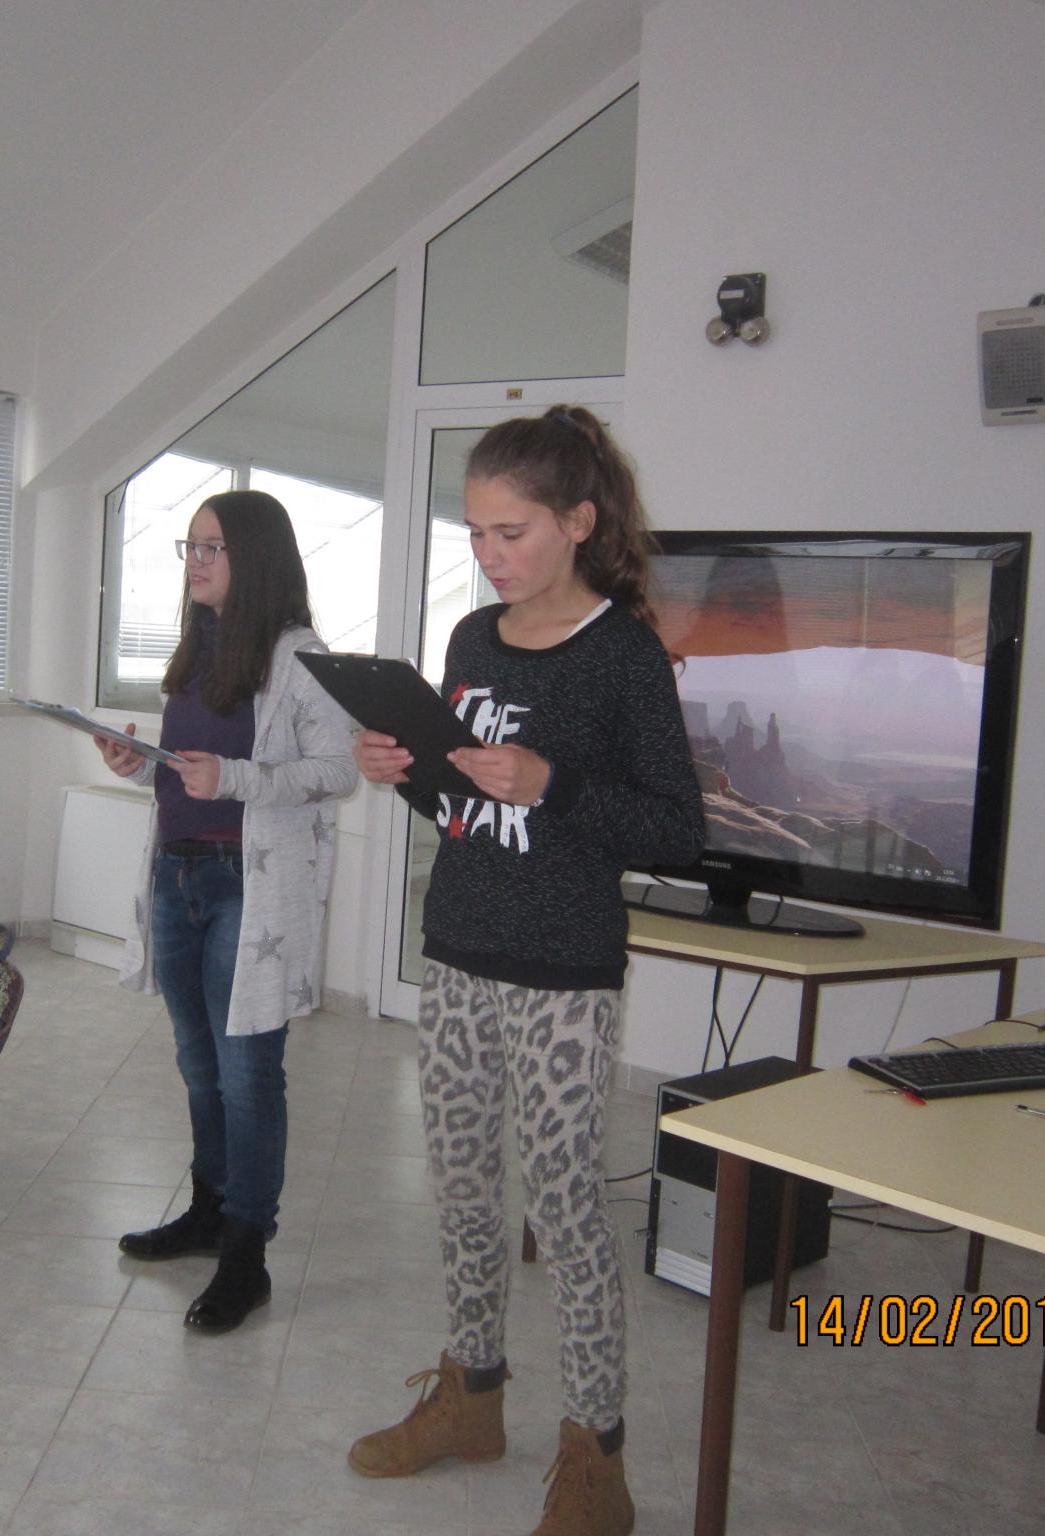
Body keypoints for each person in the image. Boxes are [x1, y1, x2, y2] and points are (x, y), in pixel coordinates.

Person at [346, 407, 702, 1536]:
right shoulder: (471, 641)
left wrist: (552, 783)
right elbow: (464, 804)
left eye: (511, 532)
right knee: (461, 1188)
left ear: (577, 523)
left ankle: (596, 1458)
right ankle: (471, 1399)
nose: (489, 554)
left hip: (563, 970)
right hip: (458, 946)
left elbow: (678, 829)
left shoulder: (623, 653)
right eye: (476, 533)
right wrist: (402, 770)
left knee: (562, 1205)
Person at [98, 488, 356, 1333]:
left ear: (257, 556)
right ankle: (208, 1210)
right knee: (198, 1062)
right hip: (176, 875)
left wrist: (235, 779)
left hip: (248, 885)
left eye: (212, 547)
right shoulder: (197, 646)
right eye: (191, 545)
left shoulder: (300, 657)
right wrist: (141, 762)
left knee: (248, 1073)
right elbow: (191, 769)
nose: (196, 562)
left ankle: (247, 1250)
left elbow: (337, 773)